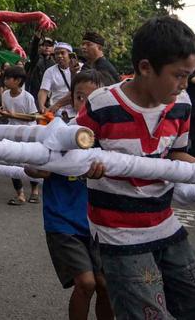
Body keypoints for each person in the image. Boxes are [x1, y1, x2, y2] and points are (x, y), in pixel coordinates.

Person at [75, 16, 195, 320]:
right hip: (118, 233)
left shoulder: (181, 104)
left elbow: (177, 157)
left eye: (189, 75)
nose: (185, 84)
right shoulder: (101, 104)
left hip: (165, 224)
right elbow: (73, 152)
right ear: (146, 68)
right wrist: (87, 165)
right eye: (178, 75)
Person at [27, 70, 112, 320]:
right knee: (86, 283)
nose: (85, 104)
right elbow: (32, 166)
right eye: (79, 97)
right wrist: (40, 166)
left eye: (93, 98)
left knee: (106, 285)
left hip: (100, 222)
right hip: (63, 220)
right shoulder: (59, 131)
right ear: (71, 99)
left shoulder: (111, 136)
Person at [0, 66, 40, 204]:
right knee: (12, 163)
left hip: (29, 133)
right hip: (12, 132)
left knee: (31, 162)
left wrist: (12, 115)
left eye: (8, 78)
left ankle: (34, 191)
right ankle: (20, 194)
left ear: (18, 80)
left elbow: (33, 117)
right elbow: (5, 113)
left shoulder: (28, 97)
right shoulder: (5, 95)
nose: (5, 80)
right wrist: (0, 113)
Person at [39, 41, 77, 114]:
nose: (59, 56)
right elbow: (43, 90)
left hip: (76, 110)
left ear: (70, 55)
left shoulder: (80, 68)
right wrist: (41, 106)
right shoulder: (50, 71)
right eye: (57, 53)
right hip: (57, 112)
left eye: (62, 53)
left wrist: (57, 105)